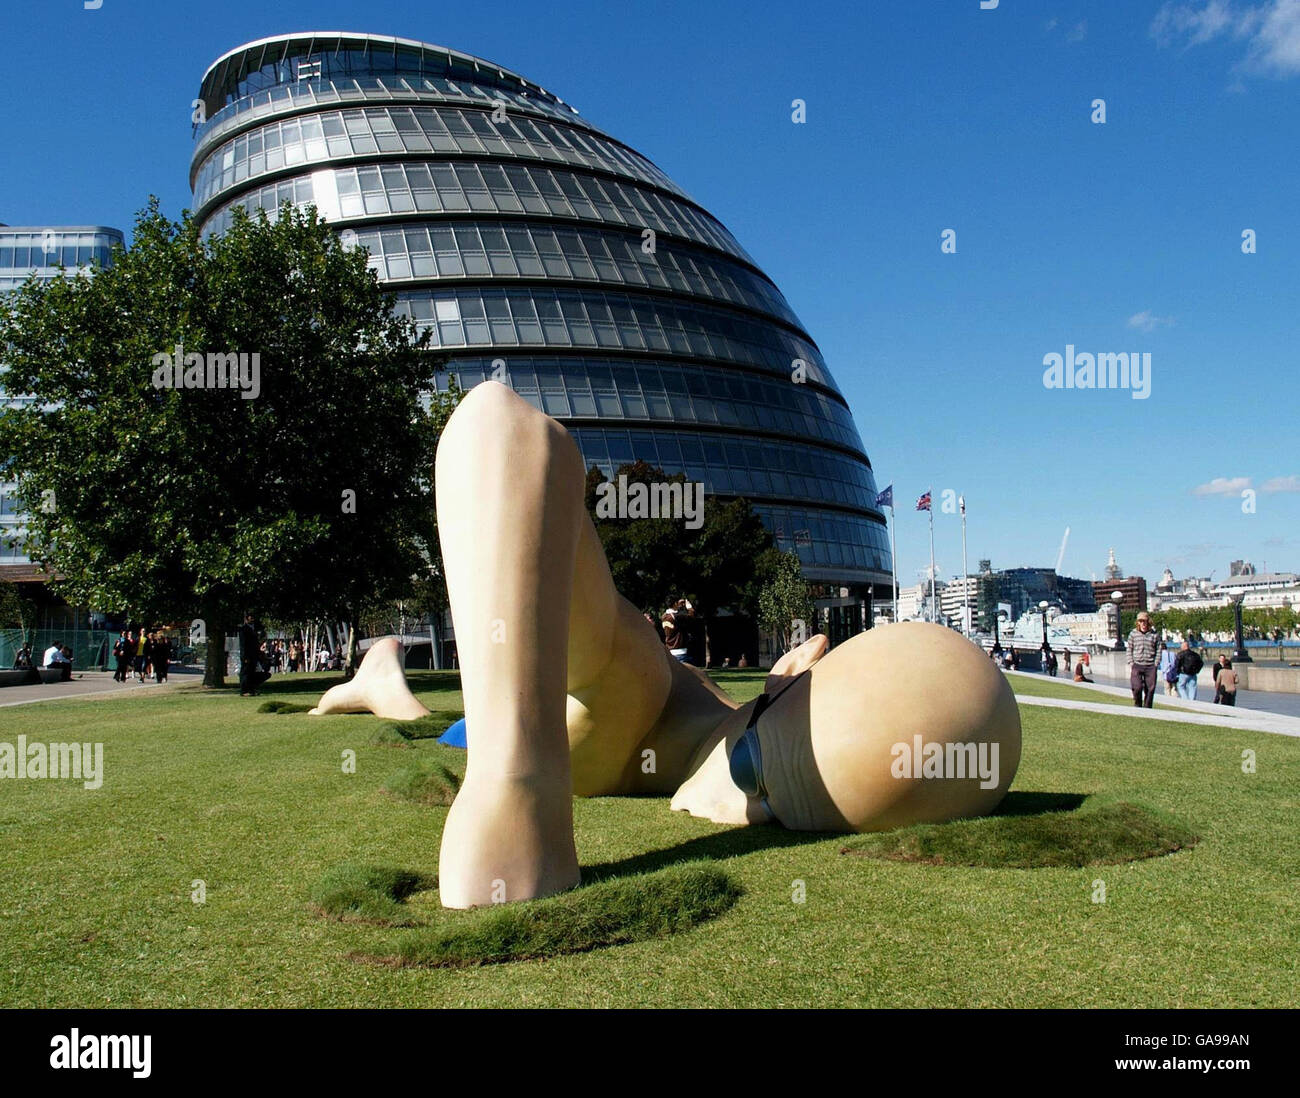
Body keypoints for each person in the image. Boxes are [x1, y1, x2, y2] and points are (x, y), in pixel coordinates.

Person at [429, 381, 1020, 908]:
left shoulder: (667, 709)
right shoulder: (638, 681)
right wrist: (519, 782)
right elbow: (499, 425)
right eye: (751, 770)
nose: (746, 814)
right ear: (790, 669)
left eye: (783, 820)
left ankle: (377, 682)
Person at [1126, 612, 1160, 708]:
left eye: (1145, 621)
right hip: (1137, 664)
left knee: (1150, 689)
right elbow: (1129, 648)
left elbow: (1159, 649)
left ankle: (1147, 707)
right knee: (1137, 687)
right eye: (1141, 621)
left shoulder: (1154, 634)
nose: (1143, 624)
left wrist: (1156, 663)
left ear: (1148, 622)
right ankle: (1137, 703)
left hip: (1150, 665)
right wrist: (1131, 662)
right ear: (1138, 623)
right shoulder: (1133, 634)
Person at [238, 613, 262, 697]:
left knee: (252, 673)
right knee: (245, 673)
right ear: (246, 619)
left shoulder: (254, 629)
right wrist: (245, 657)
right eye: (250, 618)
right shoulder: (243, 629)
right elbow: (243, 644)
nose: (252, 620)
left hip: (253, 655)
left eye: (253, 618)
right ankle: (243, 690)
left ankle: (251, 690)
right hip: (247, 655)